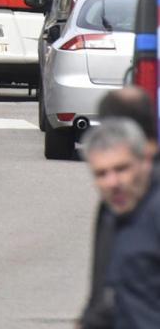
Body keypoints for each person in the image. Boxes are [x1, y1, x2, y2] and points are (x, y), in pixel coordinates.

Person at [80, 87, 159, 329]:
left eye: (121, 169)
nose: (112, 183)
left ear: (145, 157)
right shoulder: (114, 210)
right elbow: (104, 294)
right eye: (101, 174)